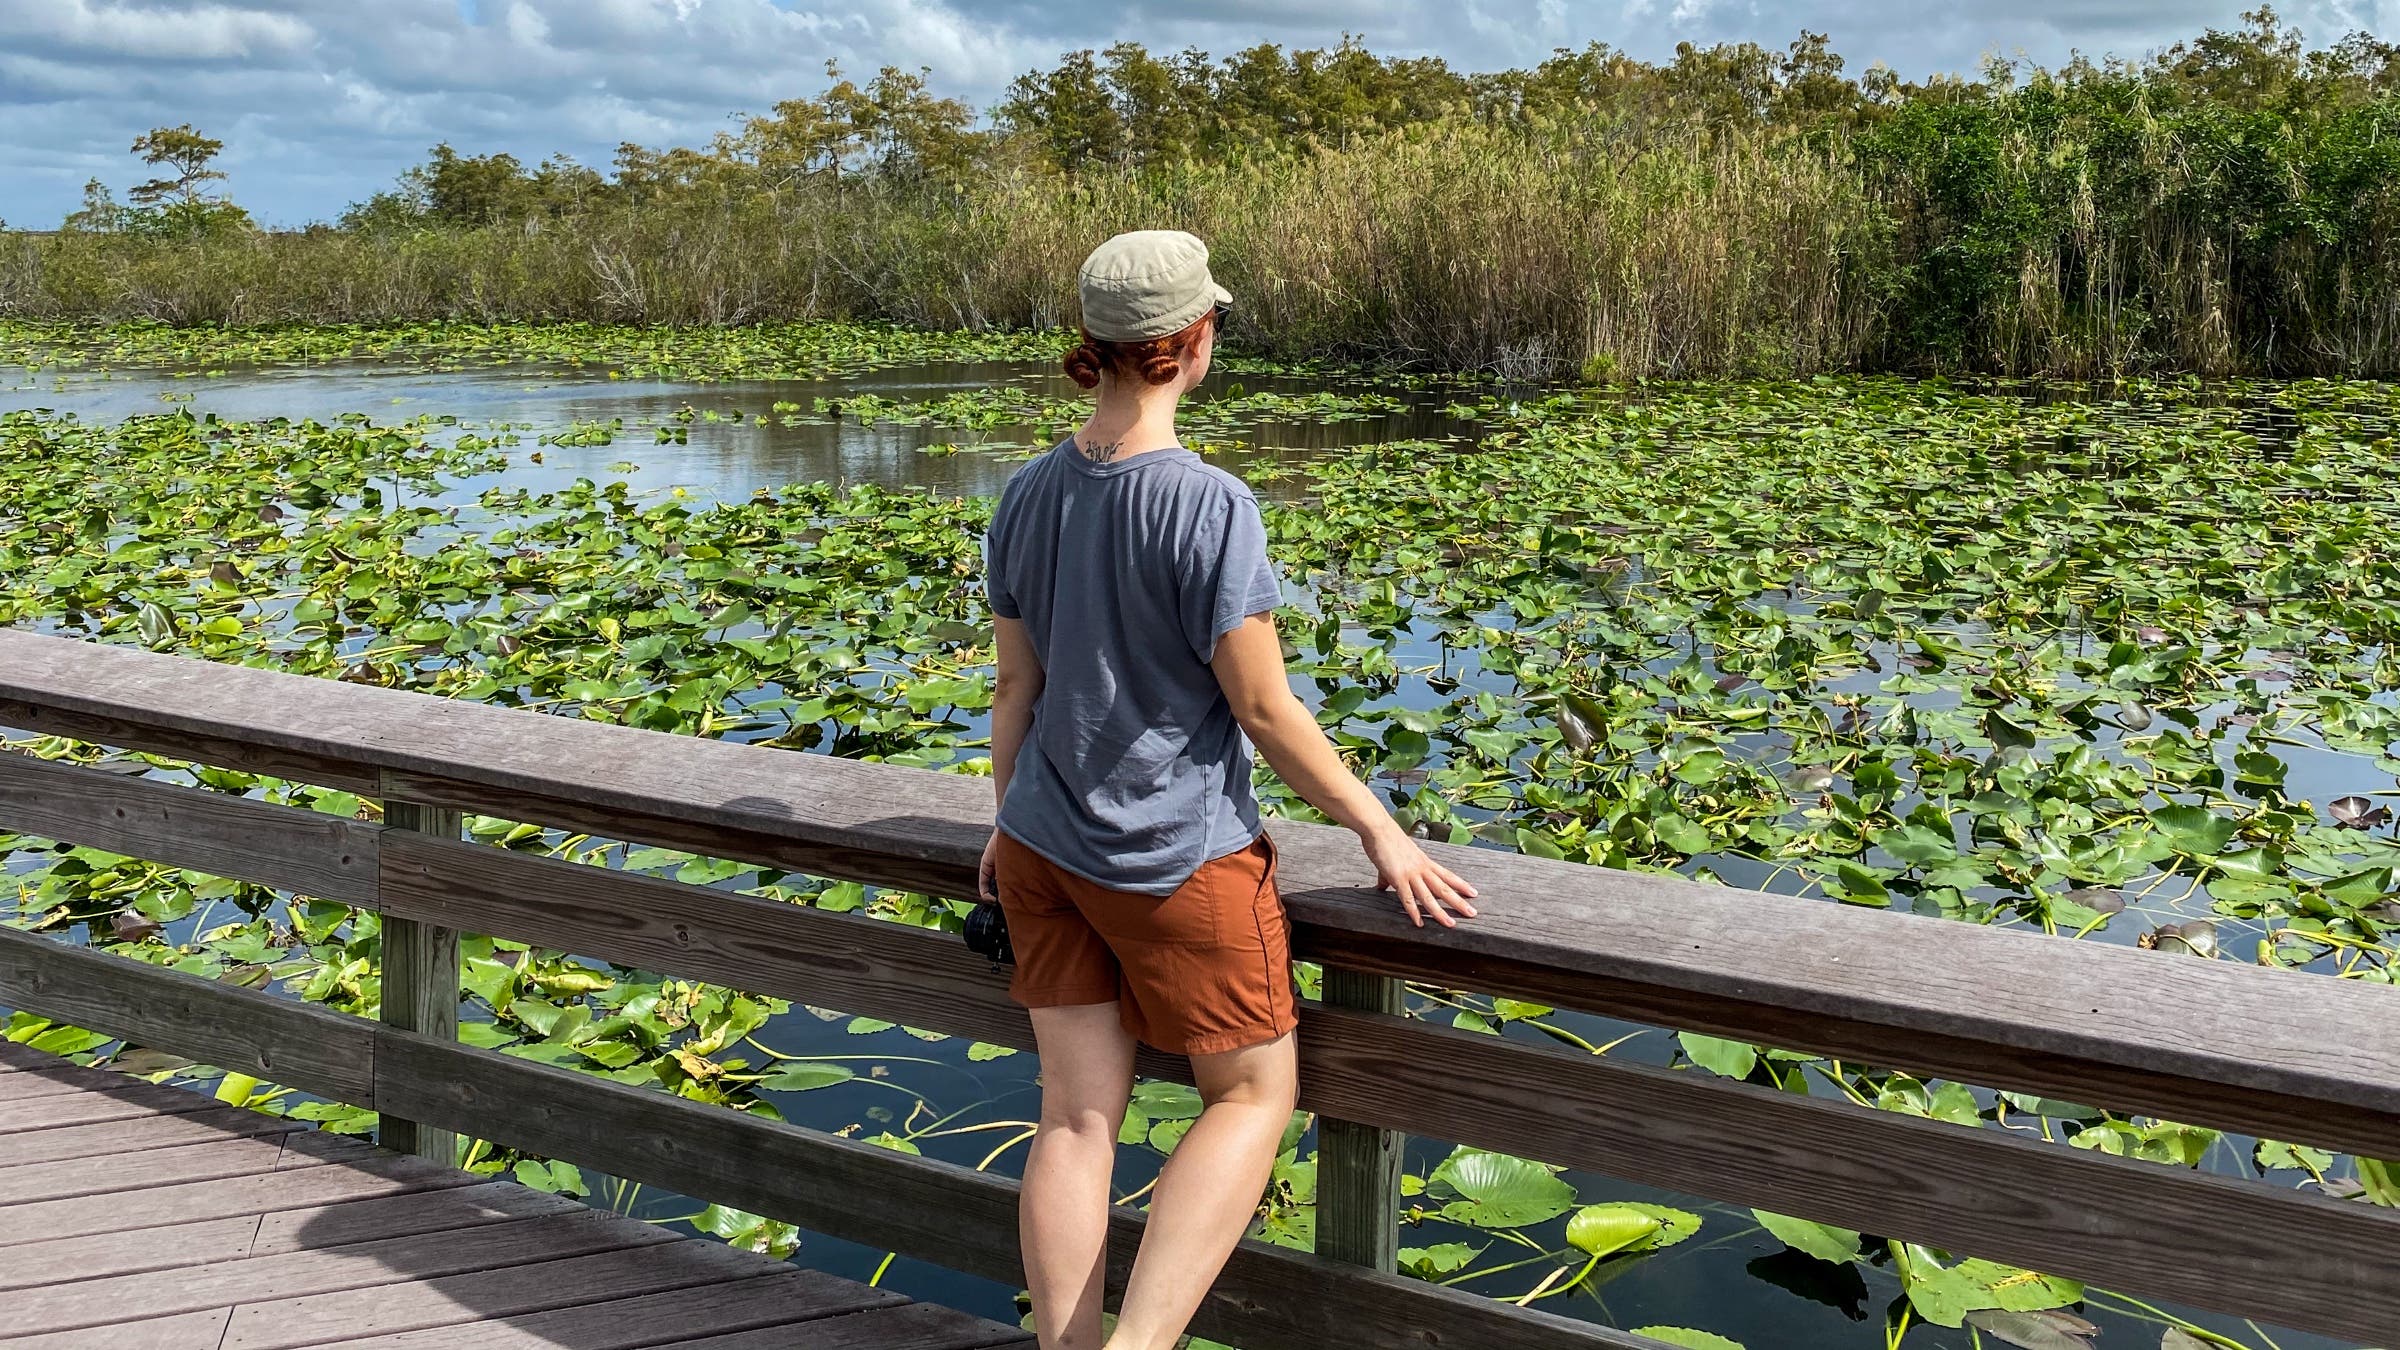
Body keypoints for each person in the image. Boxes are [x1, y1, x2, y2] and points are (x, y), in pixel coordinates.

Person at [978, 229, 1480, 1350]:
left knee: (1073, 1117)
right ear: (1194, 343)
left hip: (1043, 850)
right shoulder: (1210, 506)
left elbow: (1017, 689)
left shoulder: (1023, 493)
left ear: (1095, 348)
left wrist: (1006, 820)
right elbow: (1262, 710)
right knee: (1251, 1097)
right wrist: (1380, 832)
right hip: (1179, 860)